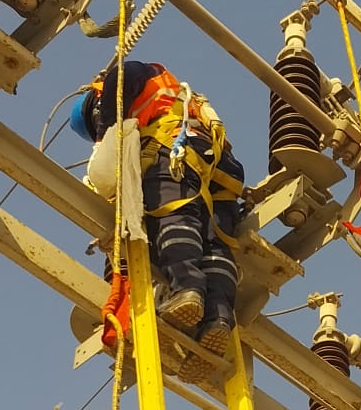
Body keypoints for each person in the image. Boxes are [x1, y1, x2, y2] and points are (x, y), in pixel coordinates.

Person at [71, 59, 245, 366]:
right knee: (215, 244)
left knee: (173, 215)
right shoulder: (182, 99)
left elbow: (123, 76)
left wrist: (105, 135)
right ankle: (217, 317)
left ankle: (187, 288)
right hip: (219, 164)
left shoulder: (125, 79)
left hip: (176, 148)